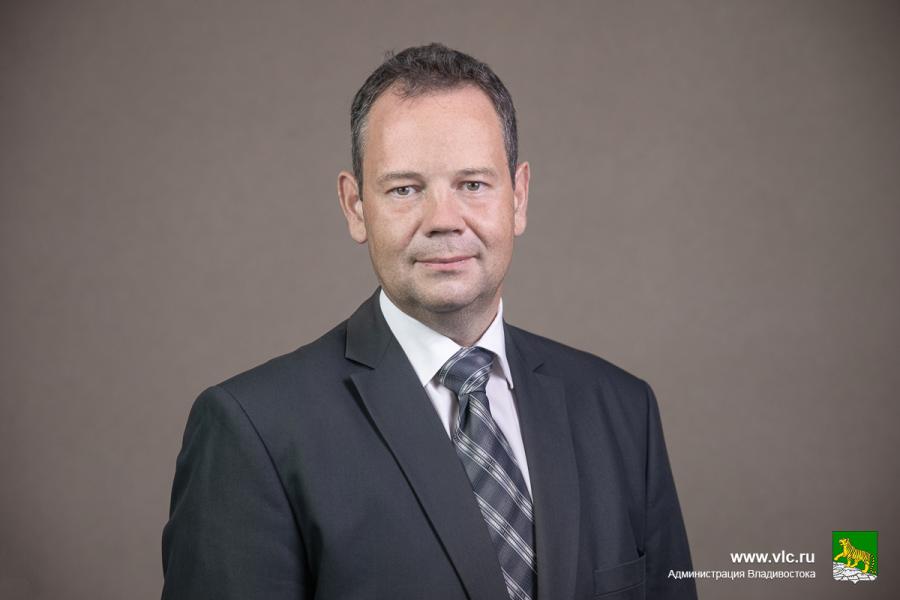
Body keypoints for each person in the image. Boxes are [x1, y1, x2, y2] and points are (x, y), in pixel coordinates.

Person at [161, 42, 697, 600]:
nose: (444, 220)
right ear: (355, 207)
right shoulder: (254, 431)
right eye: (405, 189)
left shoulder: (622, 411)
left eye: (473, 184)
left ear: (518, 197)